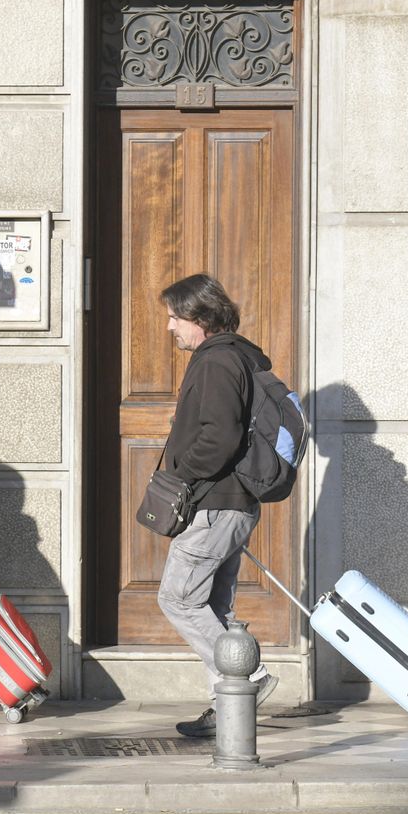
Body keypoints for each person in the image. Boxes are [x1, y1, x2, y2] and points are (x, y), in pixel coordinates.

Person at [156, 274, 280, 738]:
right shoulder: (240, 357)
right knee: (212, 605)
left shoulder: (217, 361)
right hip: (232, 502)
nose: (170, 327)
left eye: (175, 317)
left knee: (178, 598)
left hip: (216, 503)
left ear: (201, 318)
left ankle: (246, 678)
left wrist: (182, 472)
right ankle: (227, 707)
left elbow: (220, 436)